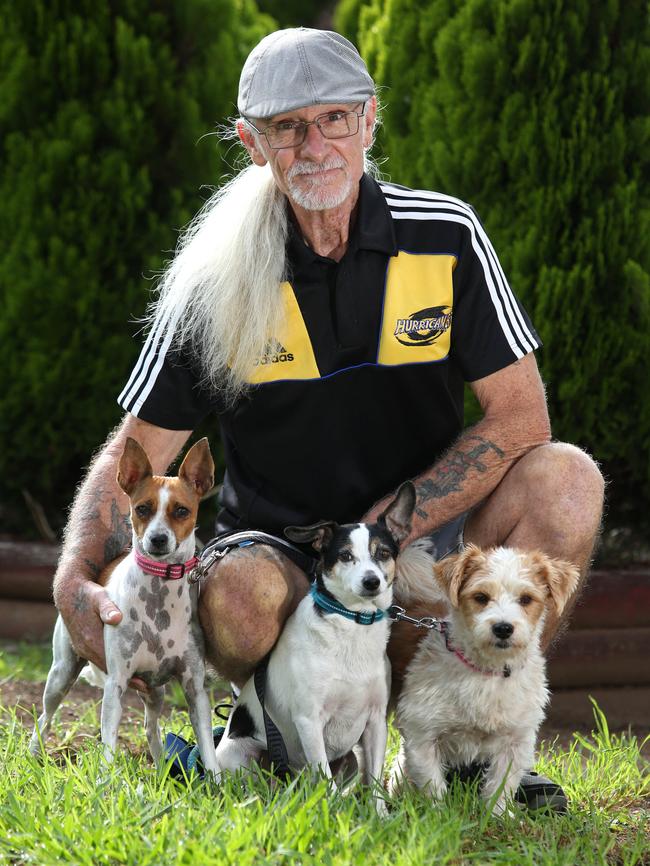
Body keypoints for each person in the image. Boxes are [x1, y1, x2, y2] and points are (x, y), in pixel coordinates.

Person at [53, 28, 604, 803]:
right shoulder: (214, 277)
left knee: (568, 481)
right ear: (252, 143)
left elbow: (521, 418)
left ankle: (479, 740)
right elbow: (136, 453)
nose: (315, 144)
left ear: (370, 122)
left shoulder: (446, 235)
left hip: (418, 545)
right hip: (281, 553)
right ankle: (275, 737)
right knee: (239, 603)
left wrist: (386, 535)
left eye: (334, 119)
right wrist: (75, 576)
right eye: (287, 126)